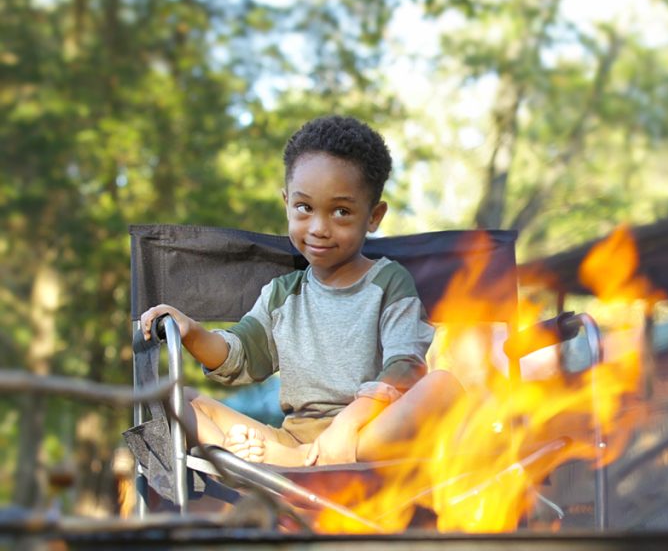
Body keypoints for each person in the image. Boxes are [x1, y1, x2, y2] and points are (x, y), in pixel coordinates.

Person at [140, 115, 462, 467]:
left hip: (366, 435)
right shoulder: (283, 294)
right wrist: (191, 331)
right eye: (304, 208)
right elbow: (240, 355)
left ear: (374, 216)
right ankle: (263, 460)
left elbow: (406, 366)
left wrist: (348, 424)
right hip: (288, 439)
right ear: (287, 203)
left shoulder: (388, 282)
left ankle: (276, 464)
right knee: (179, 399)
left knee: (442, 385)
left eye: (341, 212)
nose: (319, 228)